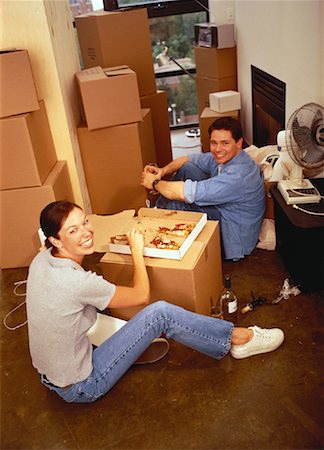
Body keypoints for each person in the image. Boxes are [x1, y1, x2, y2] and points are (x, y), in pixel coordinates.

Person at [26, 200, 284, 404]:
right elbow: (141, 296)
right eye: (73, 230)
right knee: (160, 314)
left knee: (102, 316)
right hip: (82, 386)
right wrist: (137, 252)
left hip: (50, 374)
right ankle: (240, 339)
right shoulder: (79, 283)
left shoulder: (41, 260)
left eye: (84, 222)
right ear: (55, 240)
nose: (87, 232)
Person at [141, 117, 265, 261]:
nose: (218, 149)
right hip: (226, 210)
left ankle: (154, 228)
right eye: (214, 143)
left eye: (225, 143)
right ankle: (160, 212)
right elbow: (187, 159)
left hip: (233, 236)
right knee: (188, 168)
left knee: (178, 203)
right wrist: (162, 171)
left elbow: (183, 193)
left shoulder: (239, 176)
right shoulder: (226, 157)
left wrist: (155, 183)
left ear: (238, 143)